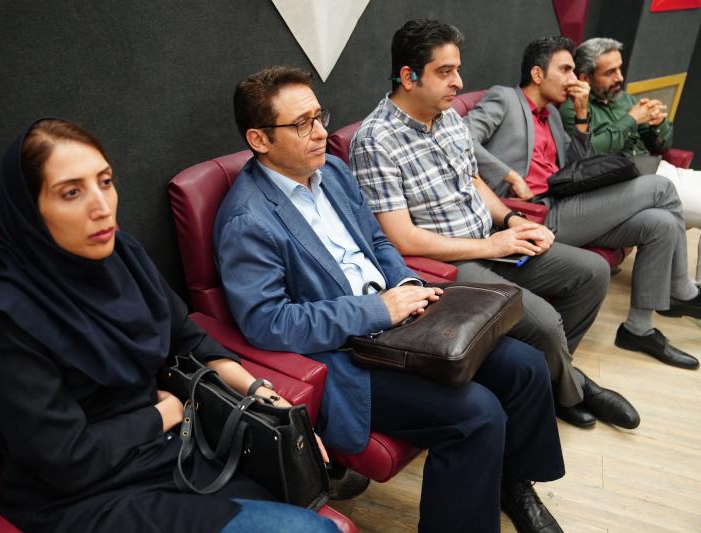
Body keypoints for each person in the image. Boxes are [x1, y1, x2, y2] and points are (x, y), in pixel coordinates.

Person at [216, 65, 567, 533]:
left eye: (319, 117)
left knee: (526, 365)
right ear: (259, 139)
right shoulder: (248, 220)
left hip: (402, 318)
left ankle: (512, 483)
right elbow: (268, 322)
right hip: (347, 355)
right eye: (301, 124)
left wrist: (405, 285)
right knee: (477, 414)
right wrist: (377, 309)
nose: (320, 133)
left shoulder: (331, 171)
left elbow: (379, 242)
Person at [0, 119, 338, 533]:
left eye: (105, 182)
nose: (101, 206)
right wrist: (161, 414)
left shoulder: (124, 257)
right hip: (87, 497)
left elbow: (188, 339)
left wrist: (268, 401)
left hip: (171, 455)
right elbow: (63, 458)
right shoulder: (7, 318)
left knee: (303, 505)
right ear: (30, 211)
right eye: (71, 192)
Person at [349, 19, 640, 433]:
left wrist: (512, 219)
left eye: (457, 69)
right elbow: (402, 238)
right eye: (445, 72)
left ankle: (557, 378)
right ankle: (572, 390)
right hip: (444, 264)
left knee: (591, 273)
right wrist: (492, 246)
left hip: (489, 239)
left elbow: (473, 180)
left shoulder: (447, 117)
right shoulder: (375, 139)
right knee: (543, 320)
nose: (458, 82)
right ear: (409, 77)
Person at [465, 35, 701, 371]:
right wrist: (509, 175)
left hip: (565, 203)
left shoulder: (553, 115)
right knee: (662, 187)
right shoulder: (503, 98)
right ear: (537, 74)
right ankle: (682, 290)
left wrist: (580, 115)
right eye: (565, 70)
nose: (574, 79)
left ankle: (638, 329)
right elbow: (462, 138)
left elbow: (577, 167)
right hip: (533, 215)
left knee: (659, 223)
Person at [565, 36, 701, 281]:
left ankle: (689, 289)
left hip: (658, 170)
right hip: (626, 183)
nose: (619, 77)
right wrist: (631, 119)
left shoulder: (624, 99)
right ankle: (683, 290)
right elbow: (589, 154)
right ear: (585, 77)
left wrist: (659, 125)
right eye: (609, 72)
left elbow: (661, 145)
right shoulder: (572, 108)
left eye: (619, 69)